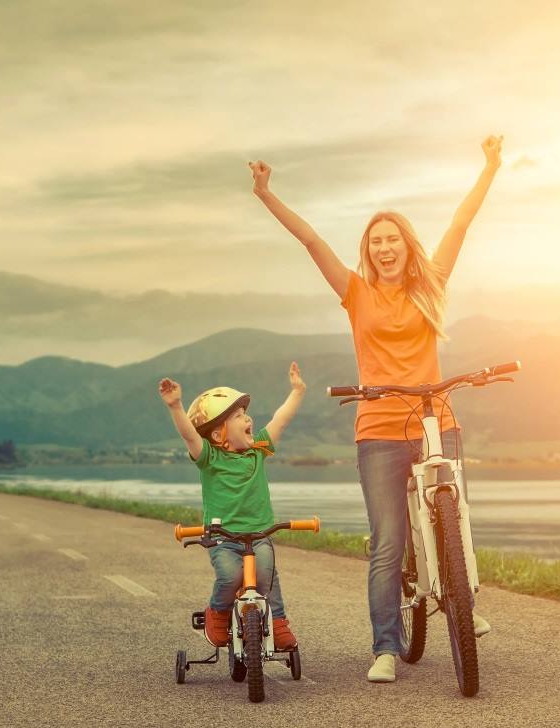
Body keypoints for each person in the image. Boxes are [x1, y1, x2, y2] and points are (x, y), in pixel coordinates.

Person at [249, 136, 503, 683]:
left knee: (453, 516)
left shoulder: (428, 285)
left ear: (407, 247)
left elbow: (460, 224)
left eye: (393, 240)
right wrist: (267, 194)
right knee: (389, 540)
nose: (385, 248)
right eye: (376, 242)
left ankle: (463, 602)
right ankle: (386, 646)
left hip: (438, 419)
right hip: (380, 428)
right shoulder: (356, 292)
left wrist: (490, 167)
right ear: (369, 252)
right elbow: (311, 239)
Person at [158, 362, 307, 651]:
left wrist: (297, 392)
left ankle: (277, 623)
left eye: (245, 413)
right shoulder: (209, 457)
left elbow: (281, 420)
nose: (247, 418)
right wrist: (175, 406)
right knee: (230, 576)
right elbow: (190, 435)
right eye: (238, 416)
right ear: (217, 435)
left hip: (259, 533)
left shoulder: (258, 451)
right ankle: (218, 612)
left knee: (267, 575)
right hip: (222, 537)